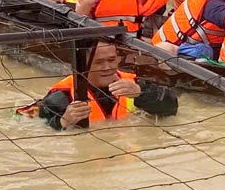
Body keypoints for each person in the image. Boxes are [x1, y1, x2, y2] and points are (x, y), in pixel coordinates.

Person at [20, 42, 178, 130]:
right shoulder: (61, 96)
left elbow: (171, 108)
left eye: (111, 60)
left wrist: (141, 94)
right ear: (82, 65)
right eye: (99, 62)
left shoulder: (134, 84)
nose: (107, 67)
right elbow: (21, 119)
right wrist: (63, 121)